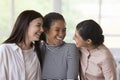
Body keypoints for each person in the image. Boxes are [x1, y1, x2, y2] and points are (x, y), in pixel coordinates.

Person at [0, 10, 44, 80]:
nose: (42, 30)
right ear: (25, 25)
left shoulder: (37, 52)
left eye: (42, 26)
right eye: (38, 25)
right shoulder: (5, 50)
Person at [41, 12, 79, 79]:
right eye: (57, 30)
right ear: (46, 30)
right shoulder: (39, 49)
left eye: (64, 30)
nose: (61, 34)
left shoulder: (70, 49)